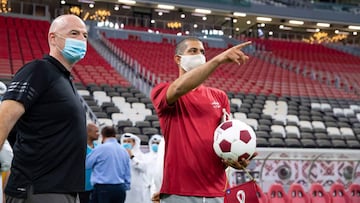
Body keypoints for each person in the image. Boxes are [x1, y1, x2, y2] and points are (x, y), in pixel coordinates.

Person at [150, 37, 257, 203]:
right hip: (180, 192)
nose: (199, 55)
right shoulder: (163, 91)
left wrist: (234, 160)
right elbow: (179, 87)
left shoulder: (219, 97)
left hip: (217, 192)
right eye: (193, 51)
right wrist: (219, 59)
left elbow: (222, 145)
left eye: (202, 52)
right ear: (178, 59)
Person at [0, 14, 88, 203]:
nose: (81, 39)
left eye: (85, 35)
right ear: (53, 38)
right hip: (39, 189)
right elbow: (3, 120)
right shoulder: (39, 70)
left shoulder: (64, 80)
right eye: (74, 33)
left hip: (64, 190)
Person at [86, 126, 131, 203]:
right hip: (119, 188)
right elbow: (127, 171)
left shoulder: (100, 149)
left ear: (102, 136)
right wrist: (126, 186)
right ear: (115, 135)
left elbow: (87, 164)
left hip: (103, 187)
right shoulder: (123, 150)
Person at [120, 133, 150, 203]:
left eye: (129, 141)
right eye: (125, 141)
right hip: (122, 186)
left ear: (134, 143)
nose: (126, 143)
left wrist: (132, 157)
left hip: (136, 186)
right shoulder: (119, 154)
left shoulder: (140, 155)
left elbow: (144, 168)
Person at [79, 123, 100, 203]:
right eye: (96, 132)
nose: (98, 134)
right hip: (83, 186)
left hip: (96, 186)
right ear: (88, 132)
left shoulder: (99, 147)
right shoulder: (80, 147)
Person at [144, 134, 163, 202]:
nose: (155, 145)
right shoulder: (145, 156)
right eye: (153, 143)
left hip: (158, 186)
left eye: (157, 143)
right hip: (146, 186)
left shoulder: (163, 158)